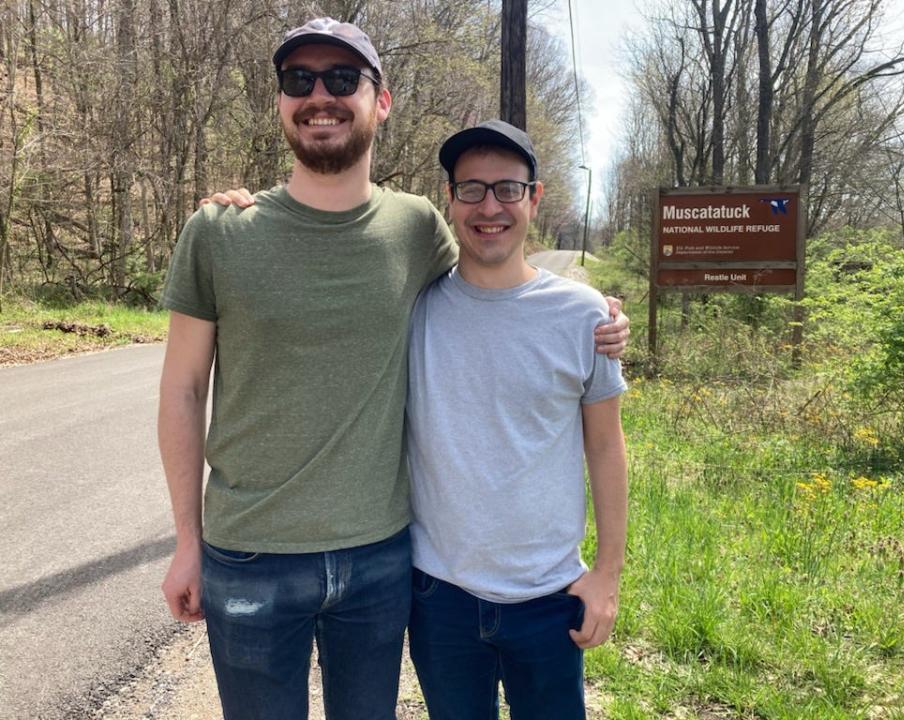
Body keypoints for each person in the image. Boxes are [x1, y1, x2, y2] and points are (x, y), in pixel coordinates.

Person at [157, 17, 629, 720]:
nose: (321, 95)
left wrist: (599, 319)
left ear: (381, 101)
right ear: (282, 101)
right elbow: (183, 390)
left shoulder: (414, 230)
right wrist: (186, 542)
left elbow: (499, 281)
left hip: (380, 560)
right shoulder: (220, 230)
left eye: (343, 79)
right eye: (300, 80)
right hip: (249, 556)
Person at [404, 120, 628, 720]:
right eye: (471, 189)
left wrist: (606, 573)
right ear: (449, 200)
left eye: (508, 189)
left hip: (550, 596)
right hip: (439, 595)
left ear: (535, 197)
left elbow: (606, 447)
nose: (490, 207)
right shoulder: (415, 307)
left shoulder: (583, 315)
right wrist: (246, 207)